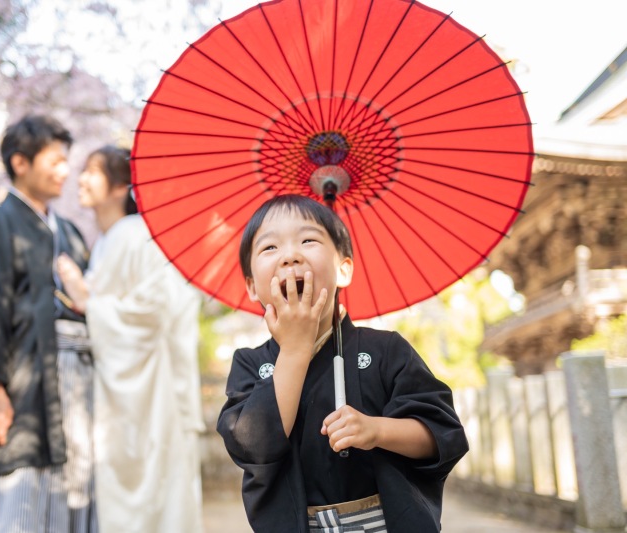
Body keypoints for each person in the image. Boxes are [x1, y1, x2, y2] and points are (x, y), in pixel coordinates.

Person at [217, 195, 469, 533]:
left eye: (308, 240)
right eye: (270, 248)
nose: (291, 255)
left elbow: (442, 435)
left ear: (344, 268)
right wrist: (293, 350)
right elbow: (253, 446)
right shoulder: (250, 363)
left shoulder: (385, 350)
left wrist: (376, 430)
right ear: (251, 286)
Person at [0, 115, 96, 532]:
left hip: (79, 387)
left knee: (79, 487)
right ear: (20, 162)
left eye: (67, 161)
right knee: (17, 490)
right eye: (56, 160)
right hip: (23, 391)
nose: (65, 171)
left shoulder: (71, 235)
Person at [57, 145, 205, 533]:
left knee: (155, 496)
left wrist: (88, 300)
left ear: (121, 185)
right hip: (129, 390)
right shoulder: (111, 239)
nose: (81, 179)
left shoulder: (135, 234)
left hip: (153, 391)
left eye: (92, 171)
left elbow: (153, 310)